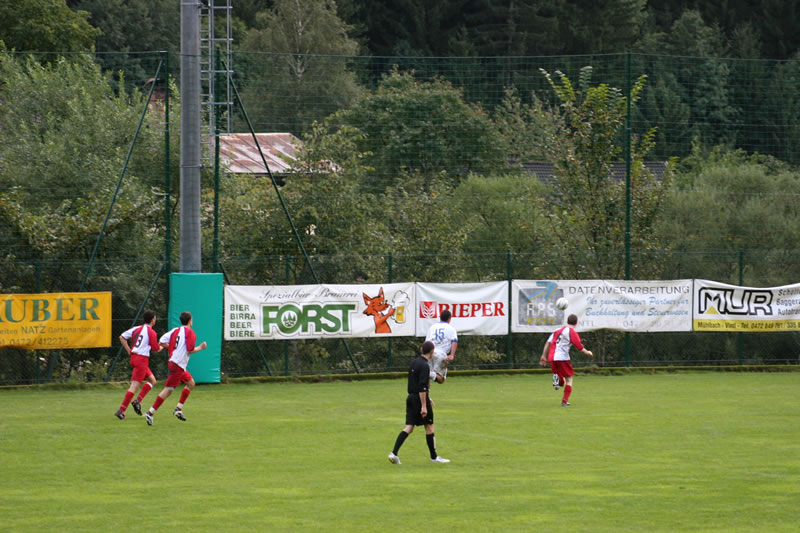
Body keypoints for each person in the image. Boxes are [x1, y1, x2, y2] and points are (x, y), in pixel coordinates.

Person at [388, 341, 450, 465]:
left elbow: (416, 383)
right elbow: (422, 386)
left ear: (421, 349)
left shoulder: (414, 362)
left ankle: (393, 453)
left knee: (409, 428)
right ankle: (434, 457)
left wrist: (428, 397)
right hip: (419, 399)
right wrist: (424, 405)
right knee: (429, 427)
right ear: (432, 352)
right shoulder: (425, 366)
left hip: (410, 397)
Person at [144, 311, 207, 425]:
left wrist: (173, 349)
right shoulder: (190, 333)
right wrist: (201, 347)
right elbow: (190, 350)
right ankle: (150, 412)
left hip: (175, 363)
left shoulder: (175, 331)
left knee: (191, 383)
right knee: (168, 390)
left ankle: (178, 409)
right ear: (190, 321)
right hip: (178, 364)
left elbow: (161, 341)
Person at [115, 310, 163, 420]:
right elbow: (156, 349)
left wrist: (128, 350)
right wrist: (164, 346)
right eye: (155, 318)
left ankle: (137, 401)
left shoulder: (137, 328)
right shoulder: (151, 332)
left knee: (152, 380)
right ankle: (121, 411)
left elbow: (122, 337)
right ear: (152, 320)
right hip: (141, 360)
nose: (155, 320)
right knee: (134, 386)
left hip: (134, 358)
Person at [539, 313, 593, 406]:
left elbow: (548, 342)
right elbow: (579, 346)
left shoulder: (557, 330)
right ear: (576, 323)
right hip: (562, 358)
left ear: (567, 321)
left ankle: (557, 379)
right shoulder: (571, 332)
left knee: (561, 381)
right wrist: (588, 352)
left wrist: (543, 356)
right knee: (569, 380)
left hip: (552, 357)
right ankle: (564, 401)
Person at [425, 309, 458, 384]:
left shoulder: (432, 327)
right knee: (441, 379)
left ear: (440, 318)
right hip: (441, 354)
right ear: (449, 319)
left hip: (430, 352)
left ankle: (426, 394)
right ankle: (427, 373)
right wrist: (452, 355)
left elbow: (427, 342)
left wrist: (424, 354)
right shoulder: (451, 328)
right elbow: (454, 341)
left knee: (427, 378)